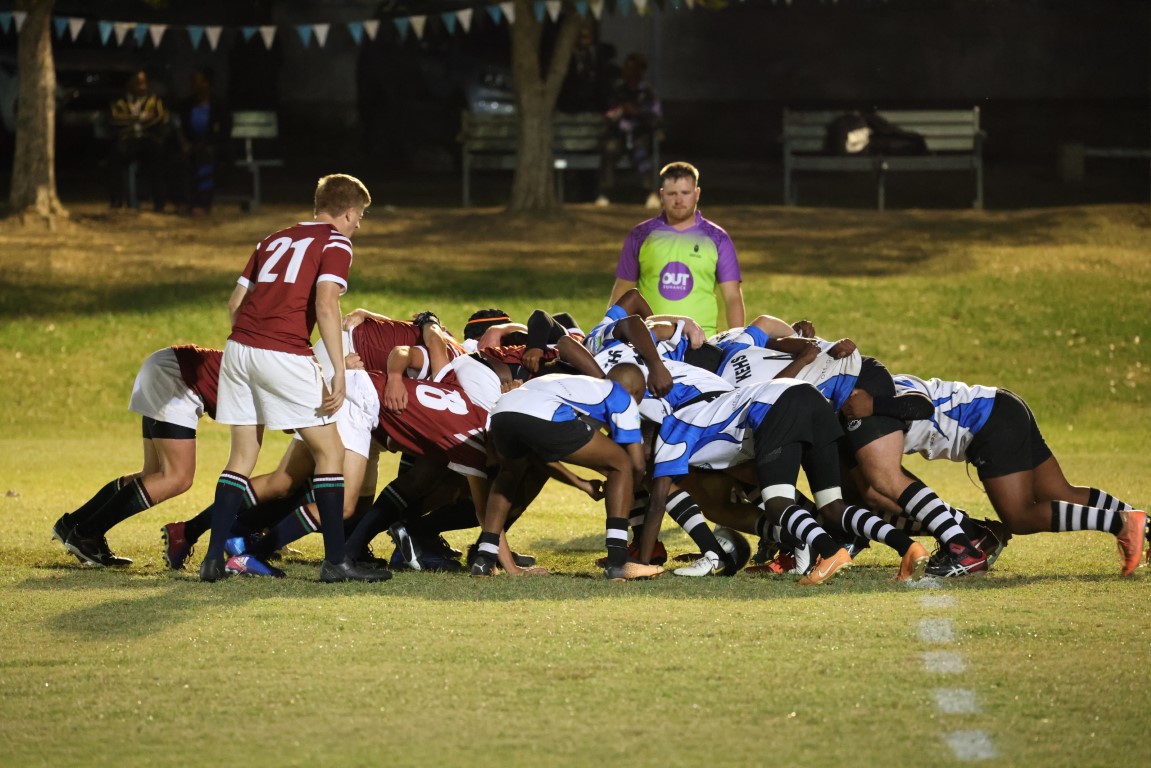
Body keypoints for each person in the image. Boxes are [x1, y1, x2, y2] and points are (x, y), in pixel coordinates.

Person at [196, 173, 385, 583]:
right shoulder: (336, 242)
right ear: (349, 212)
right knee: (331, 454)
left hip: (238, 348)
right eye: (360, 216)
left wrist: (251, 342)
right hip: (283, 351)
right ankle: (336, 562)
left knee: (241, 458)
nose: (359, 224)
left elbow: (235, 303)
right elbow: (326, 304)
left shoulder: (273, 239)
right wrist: (336, 371)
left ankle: (212, 559)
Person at [872, 373, 1146, 576]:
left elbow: (918, 407)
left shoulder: (872, 399)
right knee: (1061, 493)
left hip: (988, 424)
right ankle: (1145, 526)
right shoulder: (880, 381)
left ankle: (1121, 524)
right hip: (1002, 405)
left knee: (1020, 516)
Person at [470, 365, 662, 581]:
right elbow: (636, 464)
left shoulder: (577, 387)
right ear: (635, 391)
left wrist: (582, 483)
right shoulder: (621, 395)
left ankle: (484, 559)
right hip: (543, 413)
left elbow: (541, 456)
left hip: (501, 413)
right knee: (621, 464)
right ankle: (618, 561)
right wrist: (624, 488)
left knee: (510, 474)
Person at [53, 345, 222, 567]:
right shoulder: (274, 379)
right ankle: (87, 534)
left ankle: (75, 523)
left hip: (165, 366)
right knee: (177, 477)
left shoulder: (269, 365)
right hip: (176, 377)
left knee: (152, 474)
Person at [608, 162, 745, 338]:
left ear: (697, 194)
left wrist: (737, 340)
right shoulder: (640, 235)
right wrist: (609, 334)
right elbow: (622, 291)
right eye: (672, 194)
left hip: (702, 341)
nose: (679, 200)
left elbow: (732, 297)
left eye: (685, 193)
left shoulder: (718, 238)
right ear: (662, 195)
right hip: (651, 337)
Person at [596, 53, 661, 208]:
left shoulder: (647, 93)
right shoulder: (618, 90)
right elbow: (608, 113)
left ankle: (650, 192)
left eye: (634, 69)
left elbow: (656, 117)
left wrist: (637, 113)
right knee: (610, 148)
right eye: (627, 69)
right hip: (618, 134)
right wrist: (619, 112)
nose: (629, 73)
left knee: (642, 152)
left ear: (640, 71)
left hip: (640, 133)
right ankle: (606, 193)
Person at [107, 70, 171, 211]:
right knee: (115, 159)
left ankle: (159, 203)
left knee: (157, 161)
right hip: (127, 142)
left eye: (143, 82)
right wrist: (141, 119)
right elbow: (115, 120)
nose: (141, 86)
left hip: (148, 140)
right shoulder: (119, 102)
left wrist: (133, 122)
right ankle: (117, 201)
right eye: (137, 82)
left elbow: (158, 119)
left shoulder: (154, 101)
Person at [175, 68, 231, 216]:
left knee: (204, 159)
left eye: (198, 81)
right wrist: (185, 143)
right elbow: (180, 127)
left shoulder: (218, 105)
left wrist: (206, 143)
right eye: (193, 82)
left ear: (207, 84)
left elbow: (224, 131)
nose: (194, 85)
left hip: (212, 146)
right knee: (181, 160)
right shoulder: (187, 104)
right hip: (191, 145)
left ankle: (202, 202)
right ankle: (184, 200)